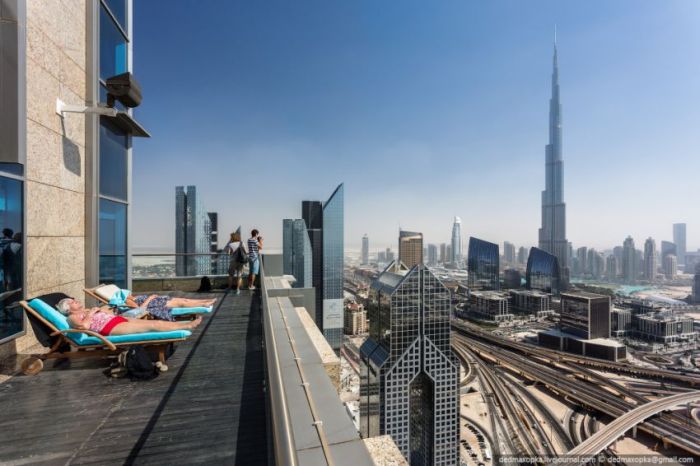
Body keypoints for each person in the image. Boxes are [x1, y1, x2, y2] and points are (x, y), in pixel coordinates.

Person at [57, 298, 201, 337]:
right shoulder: (72, 318)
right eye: (72, 302)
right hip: (109, 327)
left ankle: (185, 323)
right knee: (151, 326)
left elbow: (104, 312)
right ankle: (186, 325)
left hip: (115, 320)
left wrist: (102, 311)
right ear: (68, 309)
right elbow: (84, 326)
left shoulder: (86, 310)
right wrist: (91, 313)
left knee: (156, 321)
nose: (75, 301)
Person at [110, 291, 216, 321]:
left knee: (184, 299)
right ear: (124, 296)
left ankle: (205, 300)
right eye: (127, 293)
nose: (129, 293)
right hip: (156, 303)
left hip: (159, 300)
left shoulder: (132, 297)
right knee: (182, 303)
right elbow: (140, 308)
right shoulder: (128, 302)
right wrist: (150, 298)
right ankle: (204, 304)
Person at [223, 229, 246, 295]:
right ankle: (237, 289)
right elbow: (246, 252)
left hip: (233, 261)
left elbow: (228, 253)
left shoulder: (231, 244)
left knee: (231, 275)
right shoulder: (242, 243)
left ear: (232, 238)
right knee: (239, 276)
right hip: (241, 261)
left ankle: (229, 288)